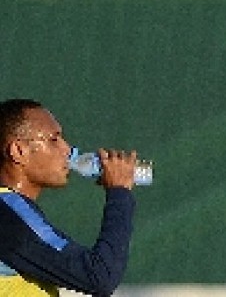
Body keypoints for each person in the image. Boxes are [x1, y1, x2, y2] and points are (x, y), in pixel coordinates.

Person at [0, 98, 137, 297]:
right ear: (18, 151)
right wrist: (119, 193)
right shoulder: (8, 215)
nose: (67, 150)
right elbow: (99, 276)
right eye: (54, 140)